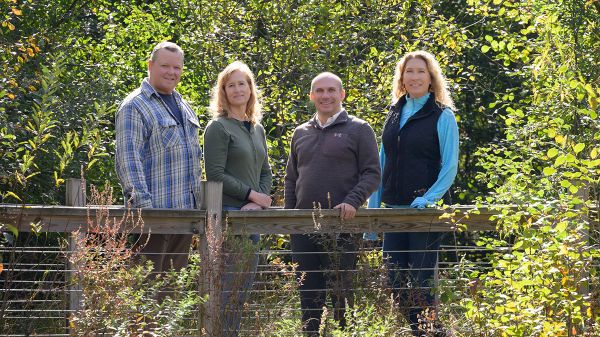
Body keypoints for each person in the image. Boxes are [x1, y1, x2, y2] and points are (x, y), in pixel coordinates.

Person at [368, 50, 459, 337]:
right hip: (393, 210)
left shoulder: (442, 116)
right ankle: (430, 333)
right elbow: (382, 163)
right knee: (394, 281)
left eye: (421, 71)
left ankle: (429, 333)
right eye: (410, 71)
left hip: (423, 212)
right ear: (402, 78)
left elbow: (450, 165)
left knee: (421, 282)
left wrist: (429, 198)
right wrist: (373, 214)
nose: (415, 76)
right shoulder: (394, 113)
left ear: (431, 79)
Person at [284, 72, 380, 335]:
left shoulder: (359, 129)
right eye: (320, 91)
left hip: (343, 224)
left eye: (331, 90)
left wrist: (353, 201)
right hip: (304, 228)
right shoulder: (300, 132)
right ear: (312, 96)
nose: (326, 96)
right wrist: (290, 220)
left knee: (341, 293)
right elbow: (291, 179)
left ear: (342, 94)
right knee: (308, 293)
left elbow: (372, 173)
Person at [115, 41, 203, 278]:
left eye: (177, 68)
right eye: (165, 66)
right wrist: (146, 213)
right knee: (147, 289)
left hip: (185, 217)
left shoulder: (184, 106)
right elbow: (128, 161)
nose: (171, 72)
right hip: (154, 217)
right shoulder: (135, 105)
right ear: (150, 65)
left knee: (173, 290)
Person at [203, 61, 272, 337]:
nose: (237, 89)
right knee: (228, 288)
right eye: (230, 85)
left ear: (250, 88)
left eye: (242, 83)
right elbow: (215, 174)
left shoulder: (257, 128)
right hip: (229, 216)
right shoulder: (218, 128)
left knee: (243, 287)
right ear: (223, 91)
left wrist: (260, 199)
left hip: (252, 216)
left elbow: (265, 170)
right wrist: (250, 194)